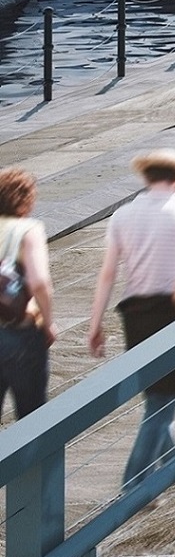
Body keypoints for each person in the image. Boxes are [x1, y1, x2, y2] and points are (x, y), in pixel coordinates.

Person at [86, 150, 175, 485]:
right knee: (163, 399)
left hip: (134, 313)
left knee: (156, 393)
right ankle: (134, 483)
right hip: (172, 311)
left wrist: (95, 324)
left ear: (146, 178)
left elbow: (107, 274)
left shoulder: (122, 216)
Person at [0, 168, 56, 424]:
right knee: (32, 419)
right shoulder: (27, 229)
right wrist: (48, 322)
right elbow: (40, 282)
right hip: (19, 333)